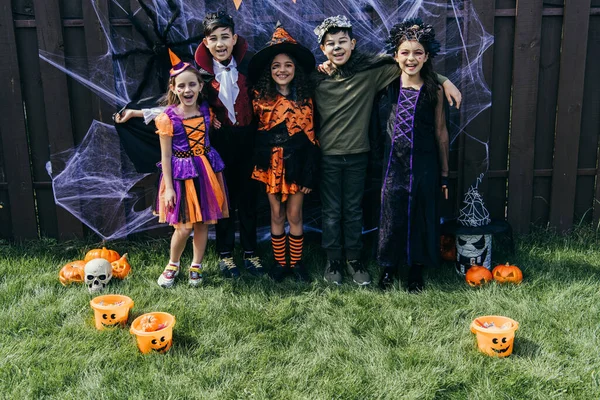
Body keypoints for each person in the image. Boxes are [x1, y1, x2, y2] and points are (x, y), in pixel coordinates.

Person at [313, 15, 461, 286]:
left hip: (382, 158)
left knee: (359, 210)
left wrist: (444, 80)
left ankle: (370, 262)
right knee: (340, 210)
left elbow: (412, 69)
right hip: (349, 158)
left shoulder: (377, 75)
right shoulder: (320, 77)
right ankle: (344, 261)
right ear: (322, 49)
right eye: (330, 44)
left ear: (353, 43)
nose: (337, 48)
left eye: (342, 42)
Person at [116, 11, 264, 278]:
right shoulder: (201, 78)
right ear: (206, 43)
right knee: (223, 203)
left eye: (225, 38)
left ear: (234, 39)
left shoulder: (249, 68)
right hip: (218, 150)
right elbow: (172, 109)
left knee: (249, 199)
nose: (220, 44)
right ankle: (226, 255)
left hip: (247, 142)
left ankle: (252, 254)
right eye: (214, 39)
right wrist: (136, 113)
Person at [377, 19, 449, 292]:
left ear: (427, 56)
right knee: (392, 214)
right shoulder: (387, 86)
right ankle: (388, 268)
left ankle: (416, 271)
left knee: (421, 214)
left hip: (425, 163)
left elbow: (441, 133)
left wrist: (444, 175)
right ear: (395, 56)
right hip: (392, 164)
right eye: (404, 52)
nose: (411, 58)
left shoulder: (436, 90)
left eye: (418, 52)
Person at [247, 25, 319, 282]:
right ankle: (280, 263)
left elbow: (311, 136)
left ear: (295, 69)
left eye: (288, 65)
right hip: (271, 163)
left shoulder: (306, 99)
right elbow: (251, 129)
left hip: (298, 163)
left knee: (294, 214)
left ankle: (296, 263)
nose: (282, 70)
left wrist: (310, 172)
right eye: (276, 65)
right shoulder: (259, 98)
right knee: (276, 214)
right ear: (269, 70)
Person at [154, 50, 229, 288]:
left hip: (205, 171)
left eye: (192, 85)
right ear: (174, 88)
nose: (187, 90)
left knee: (202, 223)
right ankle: (173, 264)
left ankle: (196, 266)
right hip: (181, 175)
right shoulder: (167, 118)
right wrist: (168, 189)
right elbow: (165, 156)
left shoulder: (206, 111)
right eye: (182, 86)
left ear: (199, 87)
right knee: (184, 226)